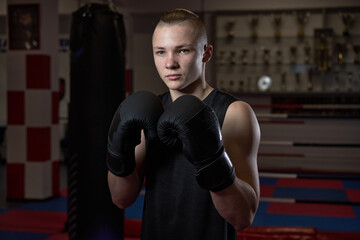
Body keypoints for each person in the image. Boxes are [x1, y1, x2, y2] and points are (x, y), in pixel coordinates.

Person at [107, 8, 260, 240]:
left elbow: (242, 218)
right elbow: (120, 199)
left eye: (183, 50)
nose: (170, 63)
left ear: (206, 53)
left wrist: (212, 159)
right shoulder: (148, 112)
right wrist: (119, 148)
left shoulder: (233, 113)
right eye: (160, 52)